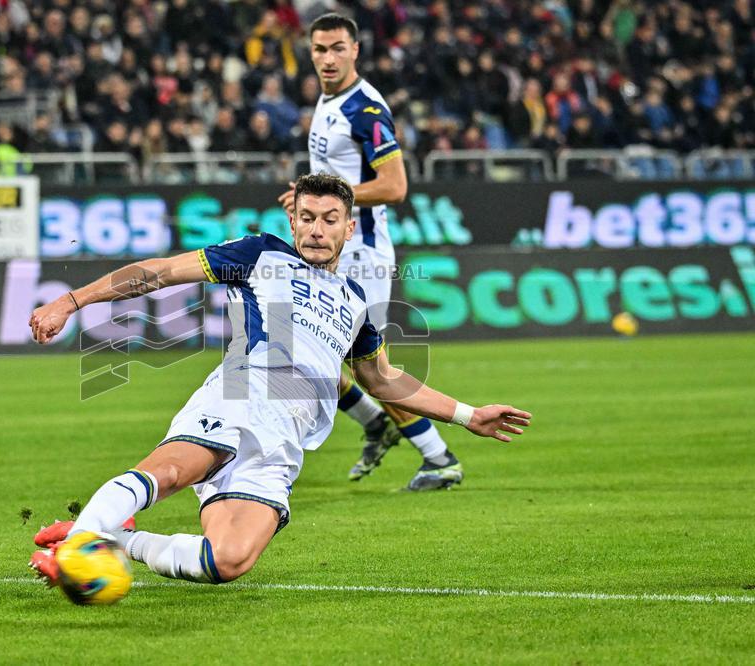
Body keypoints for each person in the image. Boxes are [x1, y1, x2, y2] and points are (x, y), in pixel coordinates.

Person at [27, 174, 531, 587]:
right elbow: (159, 273)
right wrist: (72, 301)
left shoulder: (355, 301)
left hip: (284, 441)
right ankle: (75, 551)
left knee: (229, 561)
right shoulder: (260, 254)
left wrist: (468, 415)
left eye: (329, 220)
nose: (316, 229)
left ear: (349, 229)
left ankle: (113, 538)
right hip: (241, 397)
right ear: (292, 221)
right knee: (171, 474)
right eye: (307, 218)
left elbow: (384, 380)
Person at [278, 13, 461, 490]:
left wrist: (327, 201)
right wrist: (308, 199)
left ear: (356, 50)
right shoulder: (327, 99)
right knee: (294, 345)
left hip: (362, 253)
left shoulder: (366, 110)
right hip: (333, 248)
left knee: (369, 365)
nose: (328, 58)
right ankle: (376, 422)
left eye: (338, 48)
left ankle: (438, 457)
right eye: (320, 49)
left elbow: (395, 186)